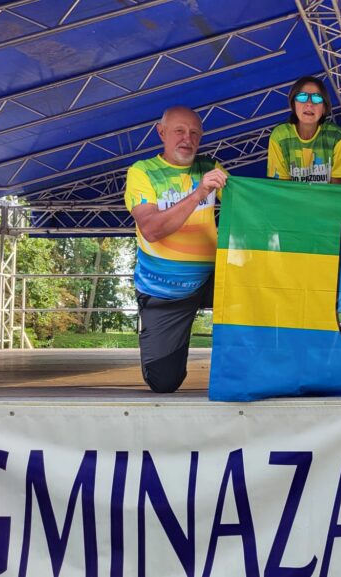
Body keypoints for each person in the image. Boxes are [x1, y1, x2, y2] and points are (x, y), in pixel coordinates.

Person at [124, 106, 228, 393]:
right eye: (179, 131)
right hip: (165, 291)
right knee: (164, 382)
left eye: (194, 133)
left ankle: (249, 365)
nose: (187, 138)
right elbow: (152, 229)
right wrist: (198, 193)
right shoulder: (142, 172)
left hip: (211, 279)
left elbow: (249, 203)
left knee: (259, 282)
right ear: (161, 132)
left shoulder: (210, 166)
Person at [267, 77, 341, 184]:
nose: (309, 103)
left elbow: (337, 188)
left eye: (317, 98)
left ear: (324, 108)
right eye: (302, 97)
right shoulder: (280, 136)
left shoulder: (337, 136)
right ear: (293, 104)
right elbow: (284, 188)